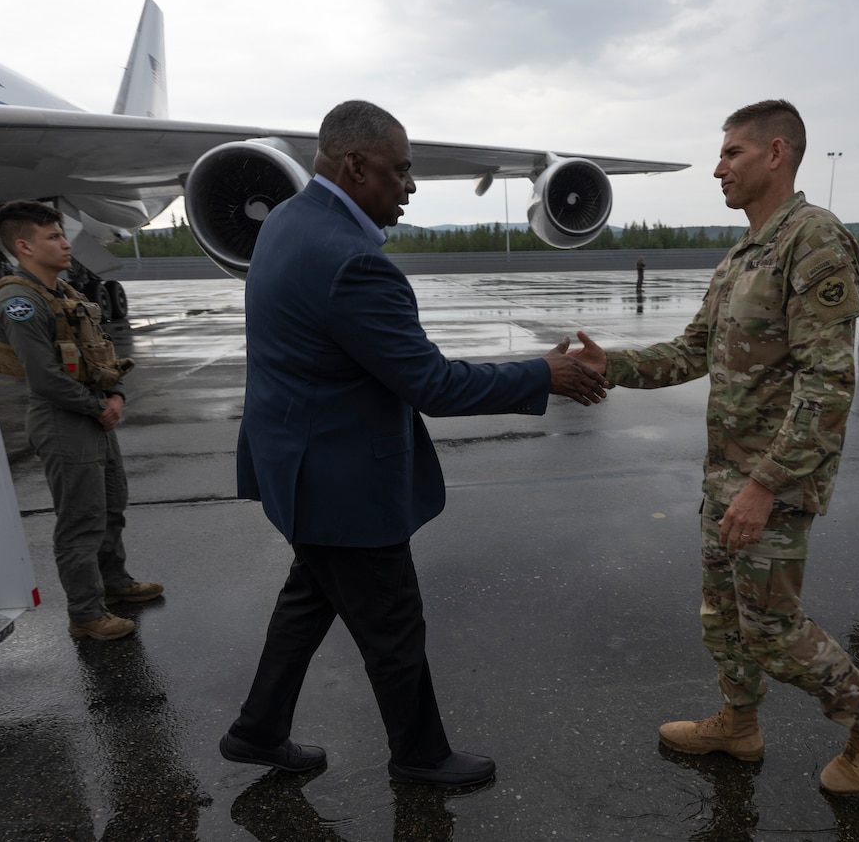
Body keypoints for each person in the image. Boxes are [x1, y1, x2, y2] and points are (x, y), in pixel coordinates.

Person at [219, 100, 608, 786]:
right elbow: (432, 384)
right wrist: (542, 373)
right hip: (341, 481)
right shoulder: (351, 261)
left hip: (297, 466)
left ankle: (257, 728)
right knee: (393, 627)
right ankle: (420, 756)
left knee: (309, 599)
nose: (411, 186)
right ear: (357, 165)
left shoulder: (286, 221)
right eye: (401, 171)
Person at [572, 99, 859, 796]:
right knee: (723, 615)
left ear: (777, 153)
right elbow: (694, 348)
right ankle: (738, 722)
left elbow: (827, 381)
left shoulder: (813, 239)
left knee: (769, 626)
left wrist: (766, 485)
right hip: (727, 472)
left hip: (774, 479)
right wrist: (612, 365)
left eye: (732, 152)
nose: (717, 167)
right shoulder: (742, 255)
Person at [0, 200, 161, 641]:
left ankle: (115, 584)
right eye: (53, 237)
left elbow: (100, 351)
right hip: (63, 421)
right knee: (80, 520)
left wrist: (116, 393)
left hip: (92, 411)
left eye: (62, 235)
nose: (66, 244)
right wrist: (98, 406)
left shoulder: (66, 293)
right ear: (24, 246)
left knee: (109, 507)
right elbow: (44, 378)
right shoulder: (20, 301)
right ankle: (85, 613)